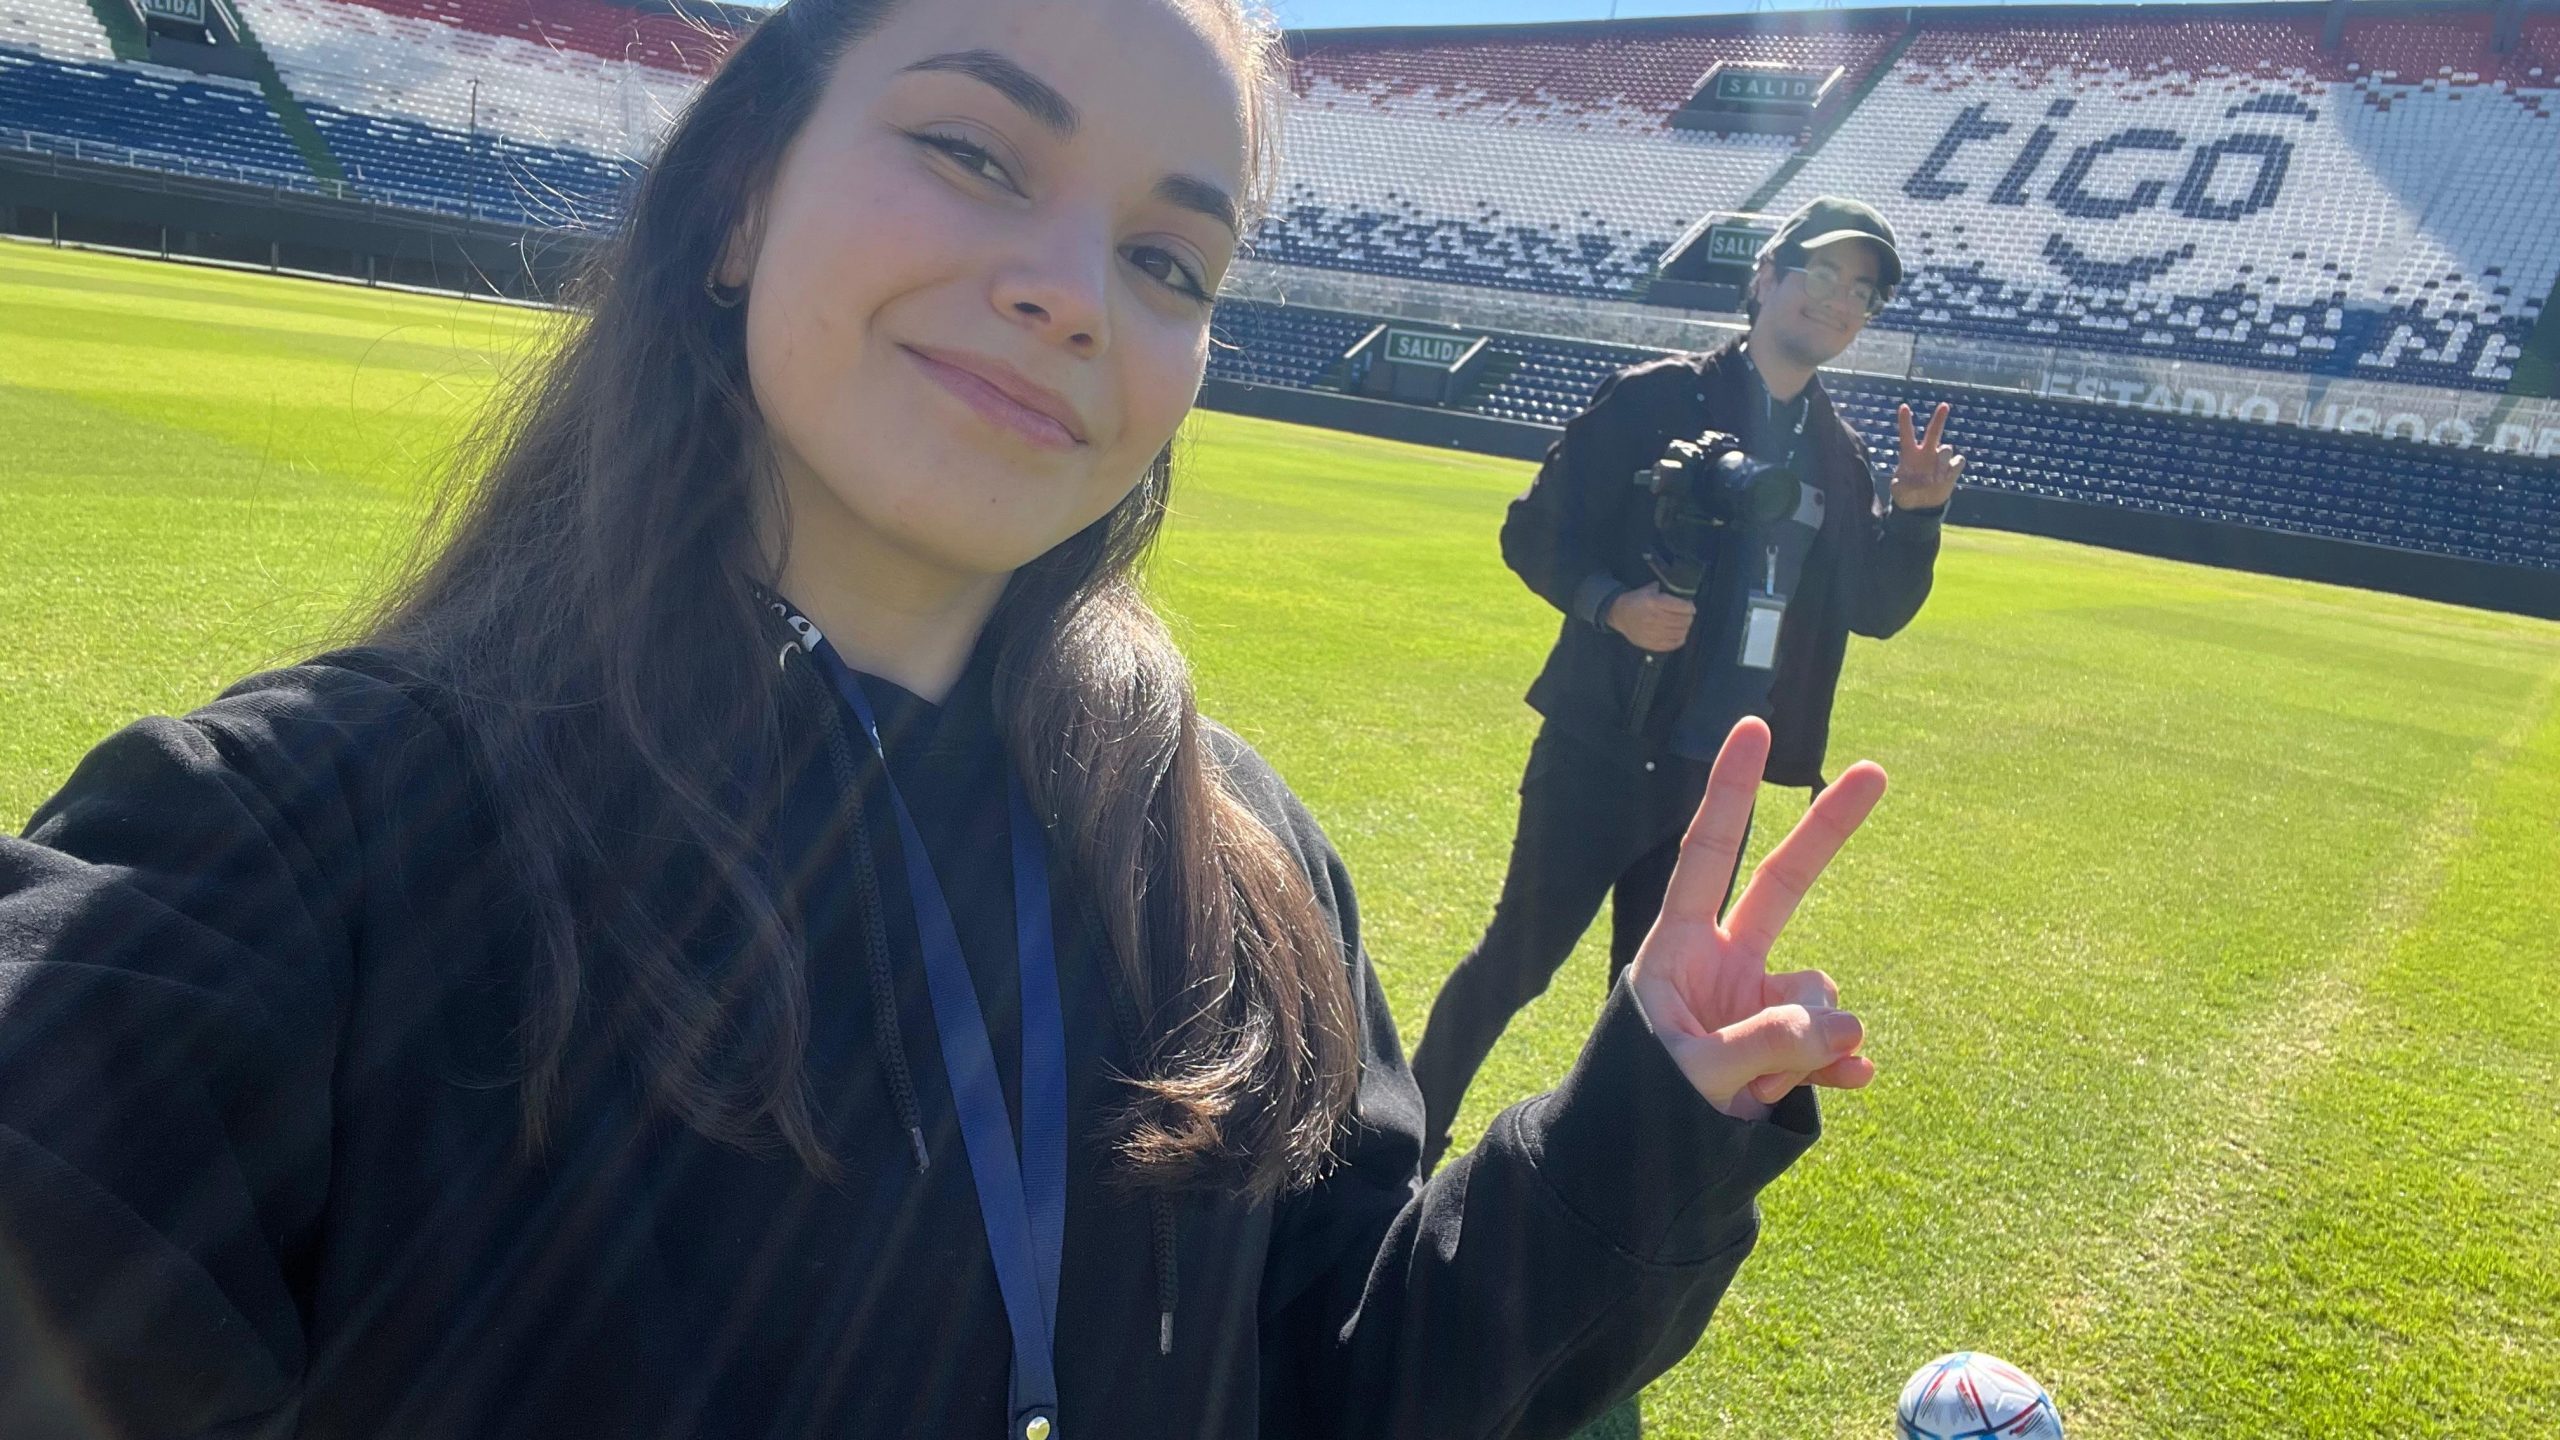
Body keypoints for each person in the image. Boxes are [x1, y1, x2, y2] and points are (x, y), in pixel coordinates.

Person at [0, 5, 1890, 1437]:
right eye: (977, 153)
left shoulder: (1238, 867)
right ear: (738, 198)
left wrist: (1644, 1121)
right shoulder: (293, 841)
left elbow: (1354, 1374)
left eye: (1169, 260)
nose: (1071, 295)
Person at [1409, 197, 1963, 1173]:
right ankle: (1404, 1138)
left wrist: (1915, 516)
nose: (1839, 301)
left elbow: (1872, 607)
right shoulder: (1654, 399)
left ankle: (1591, 1179)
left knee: (1652, 1004)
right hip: (1602, 744)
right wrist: (1611, 604)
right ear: (1766, 277)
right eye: (1820, 274)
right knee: (1517, 961)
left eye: (1862, 293)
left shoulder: (1838, 455)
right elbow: (1532, 532)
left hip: (1718, 781)